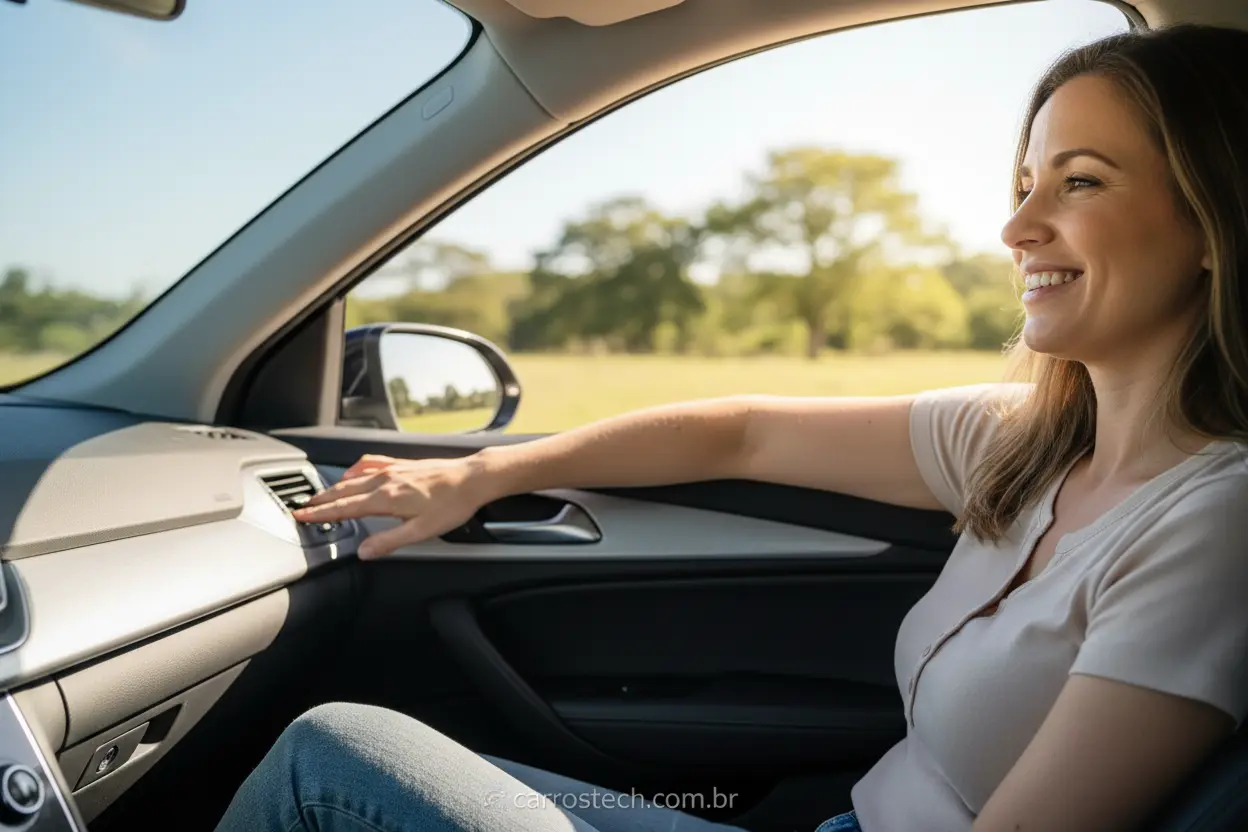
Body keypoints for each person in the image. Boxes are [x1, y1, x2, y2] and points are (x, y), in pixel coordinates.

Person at [215, 23, 1248, 832]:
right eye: (1024, 184)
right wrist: (480, 474)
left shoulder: (1215, 522)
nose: (1017, 228)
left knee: (329, 769)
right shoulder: (1026, 443)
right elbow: (741, 434)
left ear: (1213, 220)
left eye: (1079, 182)